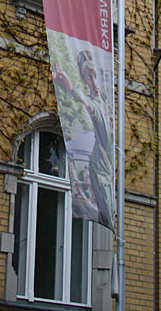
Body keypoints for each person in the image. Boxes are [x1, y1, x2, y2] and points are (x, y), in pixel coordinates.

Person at [53, 49, 114, 229]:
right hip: (100, 170)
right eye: (89, 77)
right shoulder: (93, 104)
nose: (94, 82)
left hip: (107, 167)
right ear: (84, 81)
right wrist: (70, 88)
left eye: (95, 76)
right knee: (105, 209)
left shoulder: (104, 99)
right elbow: (87, 104)